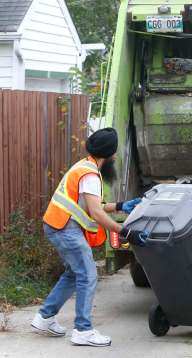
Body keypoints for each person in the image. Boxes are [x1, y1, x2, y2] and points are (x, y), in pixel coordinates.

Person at [31, 128, 147, 347]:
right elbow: (96, 213)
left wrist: (121, 206)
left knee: (74, 273)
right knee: (87, 273)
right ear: (111, 154)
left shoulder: (84, 166)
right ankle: (83, 330)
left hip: (58, 224)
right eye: (115, 152)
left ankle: (44, 317)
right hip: (64, 228)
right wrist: (126, 232)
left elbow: (92, 205)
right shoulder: (91, 175)